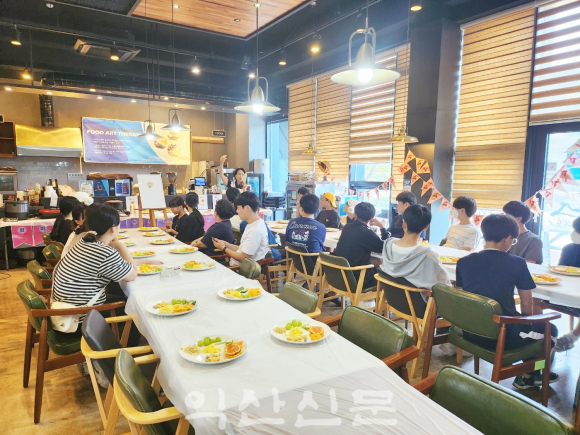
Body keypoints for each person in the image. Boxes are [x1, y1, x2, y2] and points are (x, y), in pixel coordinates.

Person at [455, 214, 559, 389]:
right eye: (513, 240)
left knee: (531, 333)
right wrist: (527, 323)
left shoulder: (463, 262)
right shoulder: (517, 263)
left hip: (470, 331)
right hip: (502, 336)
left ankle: (529, 374)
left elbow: (461, 296)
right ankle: (536, 371)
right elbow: (527, 304)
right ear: (508, 238)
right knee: (550, 330)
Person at [52, 203, 163, 335]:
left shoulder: (85, 242)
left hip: (67, 310)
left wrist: (145, 261)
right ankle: (122, 346)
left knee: (124, 296)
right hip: (80, 319)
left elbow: (118, 264)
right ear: (112, 228)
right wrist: (120, 246)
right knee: (137, 309)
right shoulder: (104, 252)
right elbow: (132, 274)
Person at [381, 204, 450, 298]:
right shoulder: (429, 255)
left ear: (404, 224)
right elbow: (445, 285)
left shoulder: (388, 245)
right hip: (418, 305)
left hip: (391, 299)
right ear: (426, 227)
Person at [334, 202, 390, 288]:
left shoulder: (347, 227)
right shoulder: (367, 233)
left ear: (355, 215)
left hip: (337, 275)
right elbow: (384, 248)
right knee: (384, 271)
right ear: (372, 218)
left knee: (377, 261)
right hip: (356, 279)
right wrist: (382, 227)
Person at [212, 192, 269, 267]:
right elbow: (243, 250)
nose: (237, 211)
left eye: (238, 208)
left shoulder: (255, 230)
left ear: (247, 208)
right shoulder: (254, 224)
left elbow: (243, 258)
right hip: (235, 266)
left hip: (238, 269)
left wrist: (223, 248)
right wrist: (227, 245)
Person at [553, 216, 580, 351]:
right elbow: (560, 270)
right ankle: (539, 335)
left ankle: (571, 337)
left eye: (578, 231)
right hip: (564, 292)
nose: (575, 233)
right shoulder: (569, 248)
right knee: (536, 297)